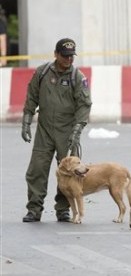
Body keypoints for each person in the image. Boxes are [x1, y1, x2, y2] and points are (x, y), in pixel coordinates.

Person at [21, 38, 92, 222]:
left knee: (70, 172)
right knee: (37, 169)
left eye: (71, 56)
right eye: (65, 55)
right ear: (56, 54)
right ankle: (34, 209)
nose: (69, 59)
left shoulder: (77, 77)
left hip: (67, 131)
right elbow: (32, 96)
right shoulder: (42, 72)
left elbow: (84, 104)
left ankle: (63, 208)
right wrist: (27, 120)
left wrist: (78, 128)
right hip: (44, 130)